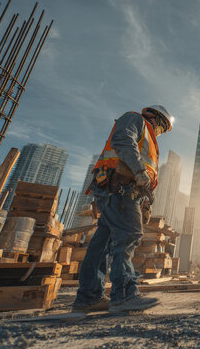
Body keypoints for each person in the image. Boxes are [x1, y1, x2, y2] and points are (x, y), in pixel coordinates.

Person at [73, 105, 174, 313]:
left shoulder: (150, 142)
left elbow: (147, 176)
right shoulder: (135, 120)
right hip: (119, 188)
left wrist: (146, 201)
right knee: (129, 233)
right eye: (162, 129)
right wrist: (138, 170)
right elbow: (123, 141)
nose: (160, 133)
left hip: (119, 190)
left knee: (101, 243)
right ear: (155, 119)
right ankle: (125, 295)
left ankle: (88, 298)